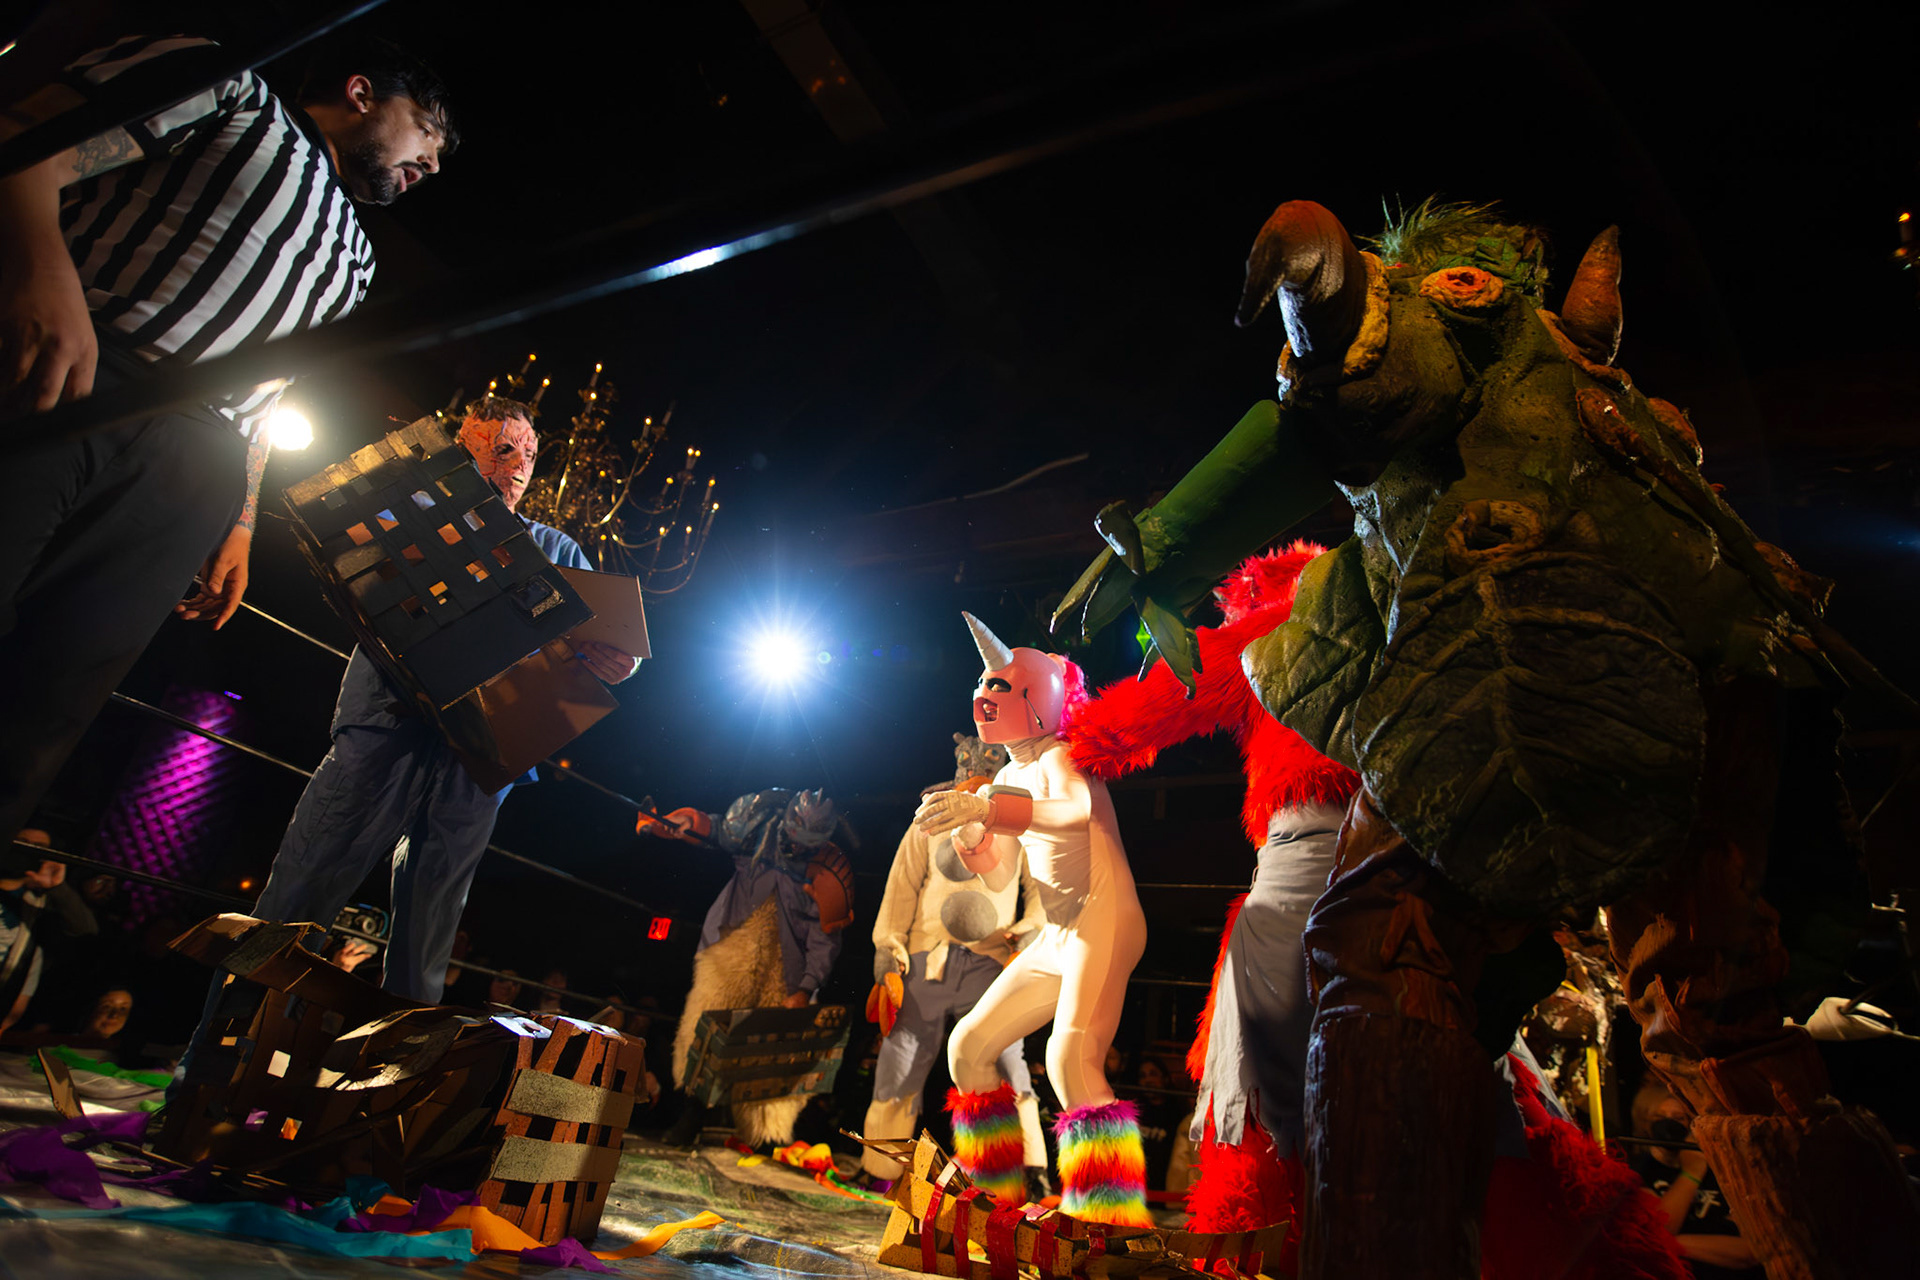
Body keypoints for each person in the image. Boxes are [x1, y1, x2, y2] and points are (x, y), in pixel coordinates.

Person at [0, 33, 459, 842]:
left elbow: (272, 386)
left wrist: (241, 517)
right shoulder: (232, 89)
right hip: (87, 369)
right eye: (427, 131)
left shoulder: (358, 256)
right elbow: (28, 136)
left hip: (200, 461)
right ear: (362, 93)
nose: (432, 163)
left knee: (52, 700)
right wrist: (42, 274)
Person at [244, 396, 641, 1004]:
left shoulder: (554, 547)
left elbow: (615, 638)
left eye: (530, 454)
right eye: (502, 448)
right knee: (306, 881)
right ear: (462, 448)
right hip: (390, 717)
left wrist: (622, 662)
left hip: (489, 743)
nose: (520, 465)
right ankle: (225, 1044)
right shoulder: (407, 513)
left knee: (431, 920)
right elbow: (344, 561)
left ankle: (394, 1056)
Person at [914, 614, 1152, 1227]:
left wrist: (987, 809)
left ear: (1036, 696)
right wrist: (971, 833)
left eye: (998, 686)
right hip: (1059, 933)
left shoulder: (1062, 758)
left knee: (1071, 1059)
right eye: (982, 685)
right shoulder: (1010, 774)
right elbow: (998, 874)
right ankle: (994, 1196)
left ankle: (1107, 1223)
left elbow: (1072, 812)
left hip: (1103, 922)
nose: (984, 698)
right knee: (969, 1046)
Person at [860, 733, 1051, 1198]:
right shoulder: (929, 818)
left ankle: (1024, 1169)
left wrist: (1028, 931)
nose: (977, 769)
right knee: (901, 1059)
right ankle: (883, 1168)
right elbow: (902, 886)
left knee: (1005, 1059)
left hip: (990, 960)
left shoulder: (1016, 821)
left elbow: (1040, 891)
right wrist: (889, 946)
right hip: (926, 958)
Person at [642, 788, 853, 1148]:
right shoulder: (759, 827)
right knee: (707, 1029)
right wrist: (683, 823)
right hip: (734, 944)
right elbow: (717, 829)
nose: (797, 848)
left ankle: (763, 1138)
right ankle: (691, 1117)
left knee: (776, 1051)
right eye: (795, 838)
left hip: (787, 968)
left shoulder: (830, 868)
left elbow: (826, 937)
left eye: (807, 844)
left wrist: (805, 987)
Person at [1628, 1082, 1761, 1278]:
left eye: (1678, 1118)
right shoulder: (1637, 1172)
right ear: (1644, 1123)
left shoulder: (1719, 1171)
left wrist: (1669, 1242)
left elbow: (1750, 1250)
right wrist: (1691, 1173)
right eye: (1659, 1117)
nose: (1669, 1123)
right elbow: (1661, 1228)